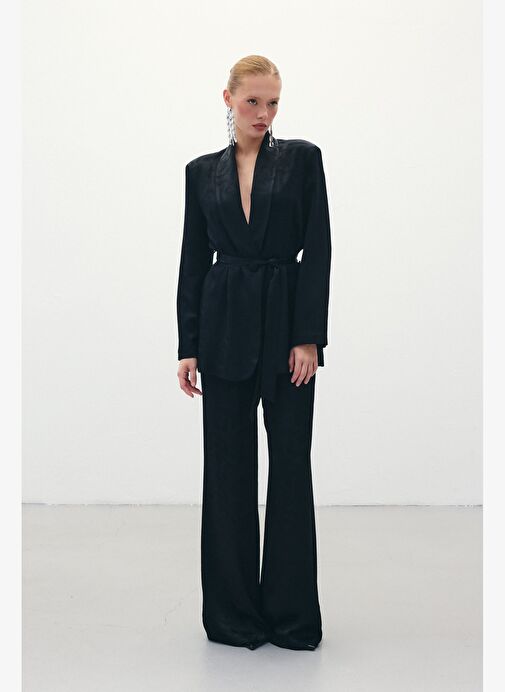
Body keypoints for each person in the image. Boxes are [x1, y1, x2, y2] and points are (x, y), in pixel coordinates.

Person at [176, 55, 332, 651]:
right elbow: (194, 259)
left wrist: (308, 336)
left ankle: (291, 617)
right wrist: (188, 345)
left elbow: (318, 248)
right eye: (253, 102)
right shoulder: (200, 173)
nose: (264, 114)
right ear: (228, 99)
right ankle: (233, 614)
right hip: (223, 333)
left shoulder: (302, 160)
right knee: (227, 472)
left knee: (290, 467)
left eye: (273, 103)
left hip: (286, 330)